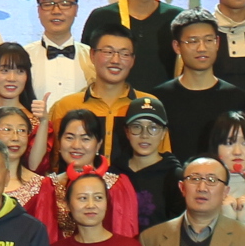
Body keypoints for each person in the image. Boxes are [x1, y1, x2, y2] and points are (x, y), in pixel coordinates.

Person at [45, 29, 161, 170]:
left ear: (133, 60)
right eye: (108, 52)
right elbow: (53, 163)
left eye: (124, 54)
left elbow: (162, 159)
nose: (115, 60)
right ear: (92, 55)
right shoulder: (67, 106)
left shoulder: (148, 105)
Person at [160, 10, 245, 162]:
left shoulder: (237, 99)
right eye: (193, 41)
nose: (202, 48)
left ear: (217, 42)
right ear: (177, 46)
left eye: (208, 40)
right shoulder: (160, 98)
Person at [34, 108, 139, 246]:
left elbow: (125, 240)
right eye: (69, 137)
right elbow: (42, 241)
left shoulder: (117, 186)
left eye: (85, 139)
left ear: (98, 144)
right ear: (59, 142)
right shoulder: (49, 186)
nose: (76, 145)